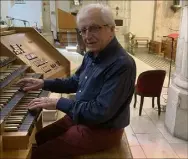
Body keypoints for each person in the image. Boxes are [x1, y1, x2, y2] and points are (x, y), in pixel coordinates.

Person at [18, 3, 136, 159]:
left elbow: (100, 112)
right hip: (81, 117)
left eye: (94, 28)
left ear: (112, 29)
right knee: (41, 137)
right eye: (83, 30)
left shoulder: (122, 64)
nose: (87, 36)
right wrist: (44, 83)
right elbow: (75, 81)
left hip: (102, 129)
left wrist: (57, 103)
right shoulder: (92, 54)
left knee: (39, 154)